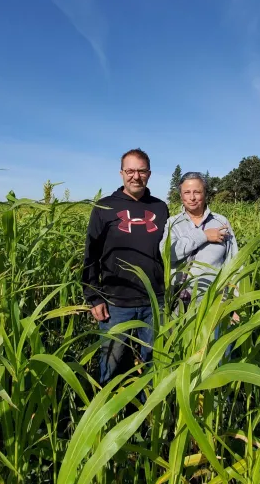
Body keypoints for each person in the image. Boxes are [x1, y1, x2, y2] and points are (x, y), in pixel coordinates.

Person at [82, 148, 169, 386]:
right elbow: (91, 254)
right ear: (121, 173)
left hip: (155, 303)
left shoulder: (160, 208)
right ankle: (107, 415)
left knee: (155, 364)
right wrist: (93, 297)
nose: (135, 176)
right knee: (111, 363)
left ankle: (149, 416)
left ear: (149, 174)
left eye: (141, 171)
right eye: (130, 170)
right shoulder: (105, 207)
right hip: (115, 303)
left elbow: (171, 252)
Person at [160, 171, 240, 353]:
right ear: (180, 195)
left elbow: (234, 263)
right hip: (179, 306)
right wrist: (204, 235)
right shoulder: (173, 223)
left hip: (215, 305)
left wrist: (236, 305)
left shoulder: (221, 222)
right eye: (187, 193)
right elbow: (168, 253)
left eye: (197, 192)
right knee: (181, 356)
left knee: (216, 357)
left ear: (205, 194)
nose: (192, 197)